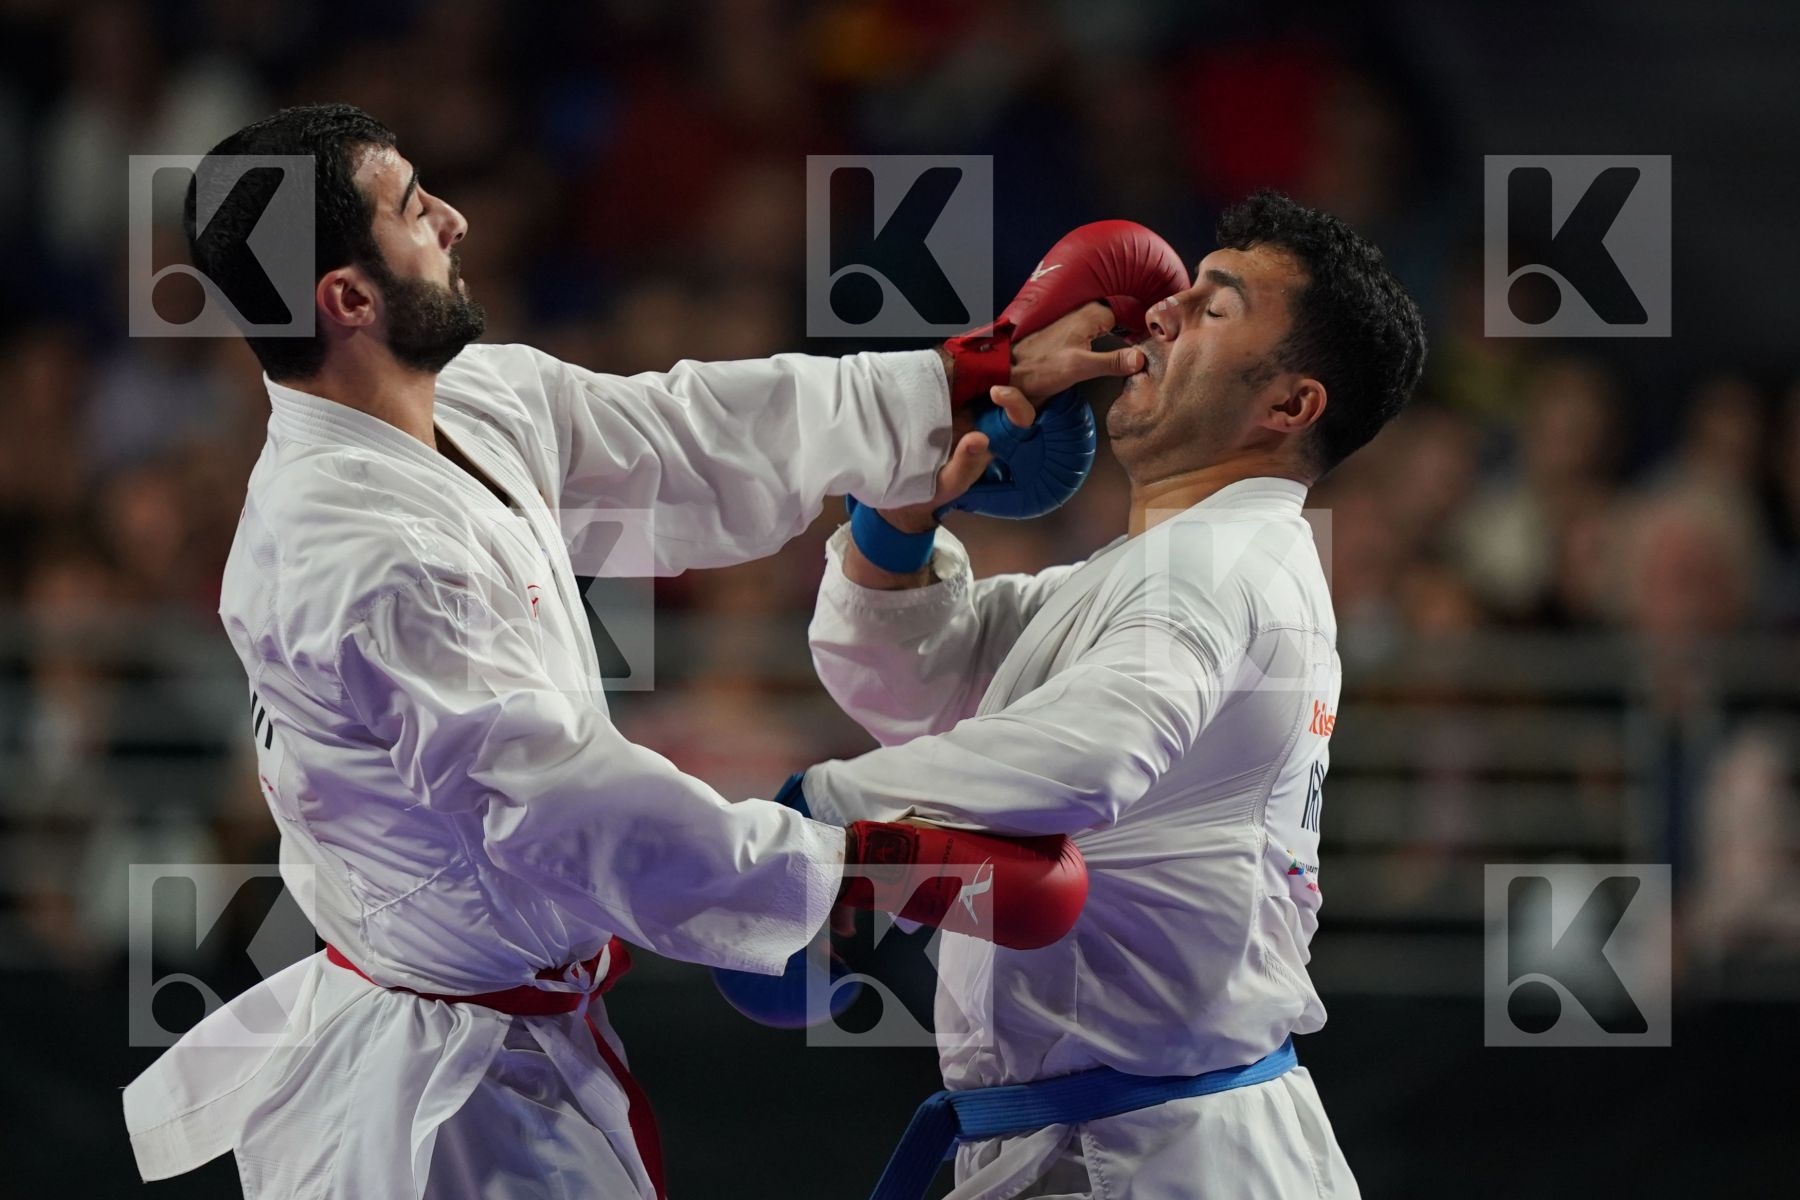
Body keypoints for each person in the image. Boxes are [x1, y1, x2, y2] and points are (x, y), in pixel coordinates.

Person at [120, 103, 1154, 1199]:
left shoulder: (461, 398)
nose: (458, 221)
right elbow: (561, 801)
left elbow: (684, 439)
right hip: (444, 1117)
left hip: (509, 1041)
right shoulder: (359, 558)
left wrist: (948, 384)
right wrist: (853, 869)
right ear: (349, 297)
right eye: (417, 209)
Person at [786, 191, 1427, 1199]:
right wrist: (897, 524)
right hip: (1114, 1140)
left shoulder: (1221, 568)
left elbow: (1083, 757)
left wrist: (814, 823)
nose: (1157, 313)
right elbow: (914, 682)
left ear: (1289, 406)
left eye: (1211, 308)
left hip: (1160, 1155)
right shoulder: (1150, 574)